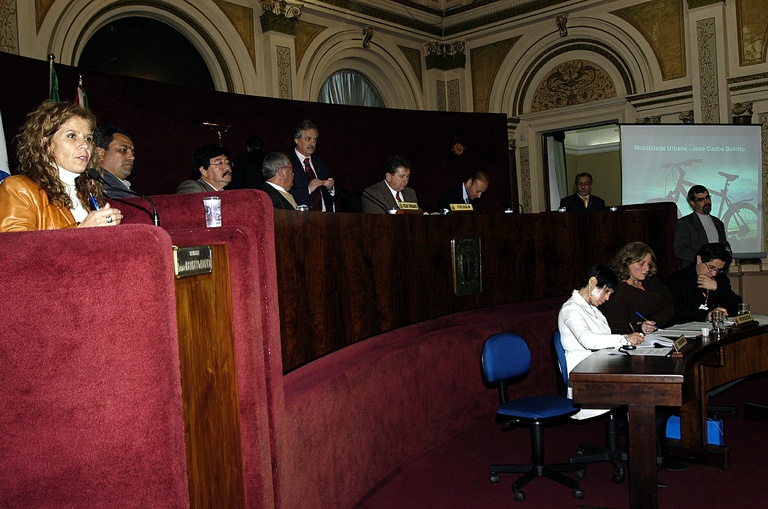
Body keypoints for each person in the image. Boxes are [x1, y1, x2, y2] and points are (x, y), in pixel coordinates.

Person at [0, 100, 122, 231]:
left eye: (88, 139)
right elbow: (14, 248)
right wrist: (81, 230)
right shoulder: (18, 188)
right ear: (46, 145)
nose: (85, 145)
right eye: (72, 136)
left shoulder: (85, 194)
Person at [558, 264, 644, 419]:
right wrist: (624, 339)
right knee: (640, 390)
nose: (607, 298)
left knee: (642, 379)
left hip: (600, 368)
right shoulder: (570, 309)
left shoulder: (592, 310)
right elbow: (588, 340)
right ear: (592, 282)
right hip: (585, 377)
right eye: (606, 291)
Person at [601, 242, 675, 334]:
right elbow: (618, 326)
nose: (647, 268)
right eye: (641, 264)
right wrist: (640, 327)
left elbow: (670, 306)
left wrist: (653, 322)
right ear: (626, 263)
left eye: (649, 264)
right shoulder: (616, 290)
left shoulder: (650, 280)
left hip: (661, 332)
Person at [666, 242, 742, 324]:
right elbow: (674, 312)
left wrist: (717, 288)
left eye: (718, 270)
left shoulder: (720, 279)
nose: (714, 273)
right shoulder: (677, 280)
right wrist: (706, 315)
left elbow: (737, 306)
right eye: (711, 267)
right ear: (699, 259)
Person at [673, 185, 731, 268]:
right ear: (692, 203)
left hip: (718, 273)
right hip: (694, 274)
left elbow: (724, 244)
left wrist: (727, 252)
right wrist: (706, 259)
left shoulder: (718, 223)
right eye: (701, 199)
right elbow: (679, 250)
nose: (706, 201)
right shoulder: (684, 223)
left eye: (707, 197)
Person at [288, 120, 334, 211]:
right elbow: (285, 193)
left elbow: (332, 197)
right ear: (296, 140)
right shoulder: (287, 162)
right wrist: (308, 189)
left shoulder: (321, 163)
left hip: (325, 218)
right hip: (301, 218)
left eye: (315, 140)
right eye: (308, 139)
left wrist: (331, 188)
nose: (312, 144)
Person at [93, 126, 136, 198]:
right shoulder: (101, 188)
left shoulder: (118, 188)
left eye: (132, 152)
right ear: (100, 153)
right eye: (123, 150)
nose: (132, 157)